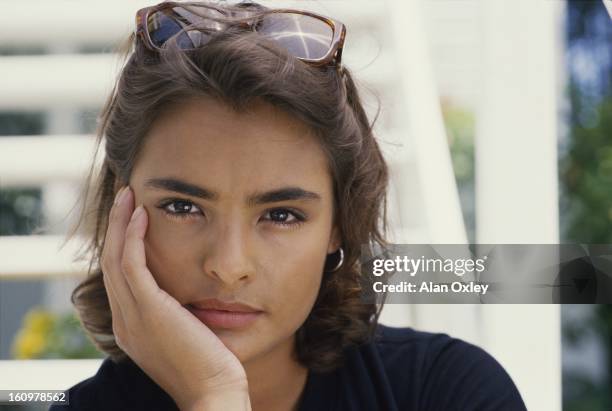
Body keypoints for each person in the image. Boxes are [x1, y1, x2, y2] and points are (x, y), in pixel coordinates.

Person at [50, 1, 527, 410]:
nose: (228, 266)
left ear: (339, 223)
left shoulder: (447, 392)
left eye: (281, 215)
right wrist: (214, 394)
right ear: (121, 208)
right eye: (182, 206)